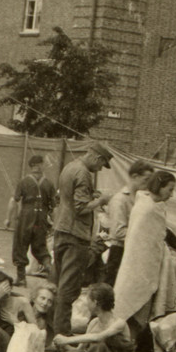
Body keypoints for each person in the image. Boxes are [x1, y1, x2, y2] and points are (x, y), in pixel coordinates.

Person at [113, 170, 176, 352]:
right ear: (159, 186)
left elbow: (156, 240)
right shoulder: (147, 208)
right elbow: (143, 246)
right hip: (139, 271)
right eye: (170, 189)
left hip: (145, 270)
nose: (172, 194)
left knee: (139, 320)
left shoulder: (152, 206)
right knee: (135, 317)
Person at [10, 282, 135, 352]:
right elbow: (79, 350)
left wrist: (67, 340)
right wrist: (63, 346)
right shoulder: (94, 323)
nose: (86, 303)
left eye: (88, 300)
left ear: (95, 302)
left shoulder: (119, 323)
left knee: (99, 348)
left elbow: (98, 338)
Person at [51, 143, 113, 336]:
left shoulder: (70, 167)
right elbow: (81, 208)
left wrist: (91, 195)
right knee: (68, 290)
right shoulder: (84, 173)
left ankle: (51, 330)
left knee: (57, 283)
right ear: (96, 158)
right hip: (75, 235)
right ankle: (62, 336)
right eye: (102, 164)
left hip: (61, 229)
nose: (100, 169)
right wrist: (102, 201)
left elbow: (69, 197)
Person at [102, 160, 153, 286]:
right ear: (135, 177)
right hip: (119, 253)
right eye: (146, 180)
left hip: (135, 252)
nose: (148, 185)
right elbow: (118, 232)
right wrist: (145, 237)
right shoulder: (120, 200)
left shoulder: (143, 199)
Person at [6, 155, 56, 285]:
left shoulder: (24, 182)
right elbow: (54, 207)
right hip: (42, 218)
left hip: (26, 217)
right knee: (40, 247)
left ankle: (21, 278)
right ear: (40, 165)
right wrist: (54, 223)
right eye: (42, 164)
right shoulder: (49, 184)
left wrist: (8, 218)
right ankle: (51, 272)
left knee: (21, 245)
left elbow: (14, 200)